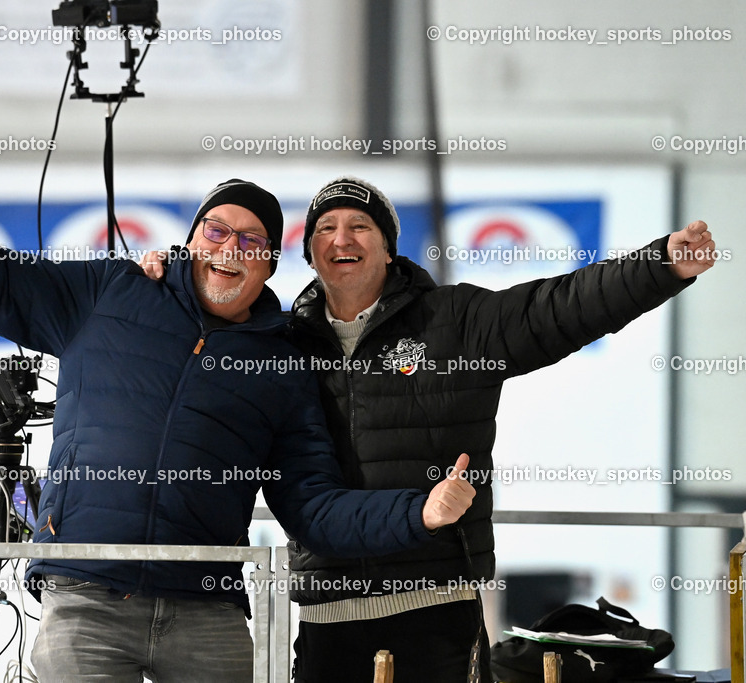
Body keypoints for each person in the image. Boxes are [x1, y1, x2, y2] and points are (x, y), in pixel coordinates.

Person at [0, 115, 477, 682]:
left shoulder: (282, 364)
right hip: (87, 593)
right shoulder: (111, 293)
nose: (230, 248)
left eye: (250, 242)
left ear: (269, 266)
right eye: (217, 230)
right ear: (192, 238)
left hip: (206, 606)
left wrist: (420, 512)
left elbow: (313, 507)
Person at [286, 176, 716, 682]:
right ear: (310, 251)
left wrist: (660, 265)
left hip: (435, 610)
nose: (343, 238)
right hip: (325, 619)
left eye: (360, 226)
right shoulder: (284, 343)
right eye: (327, 227)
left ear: (388, 249)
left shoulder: (453, 321)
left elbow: (559, 308)